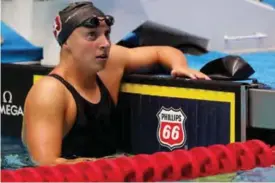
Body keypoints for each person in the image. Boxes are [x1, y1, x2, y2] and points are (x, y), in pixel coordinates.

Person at [21, 1, 210, 166]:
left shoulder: (111, 64)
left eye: (107, 34)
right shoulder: (49, 93)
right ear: (66, 43)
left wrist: (179, 66)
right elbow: (45, 166)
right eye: (92, 35)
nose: (105, 43)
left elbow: (162, 51)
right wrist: (110, 165)